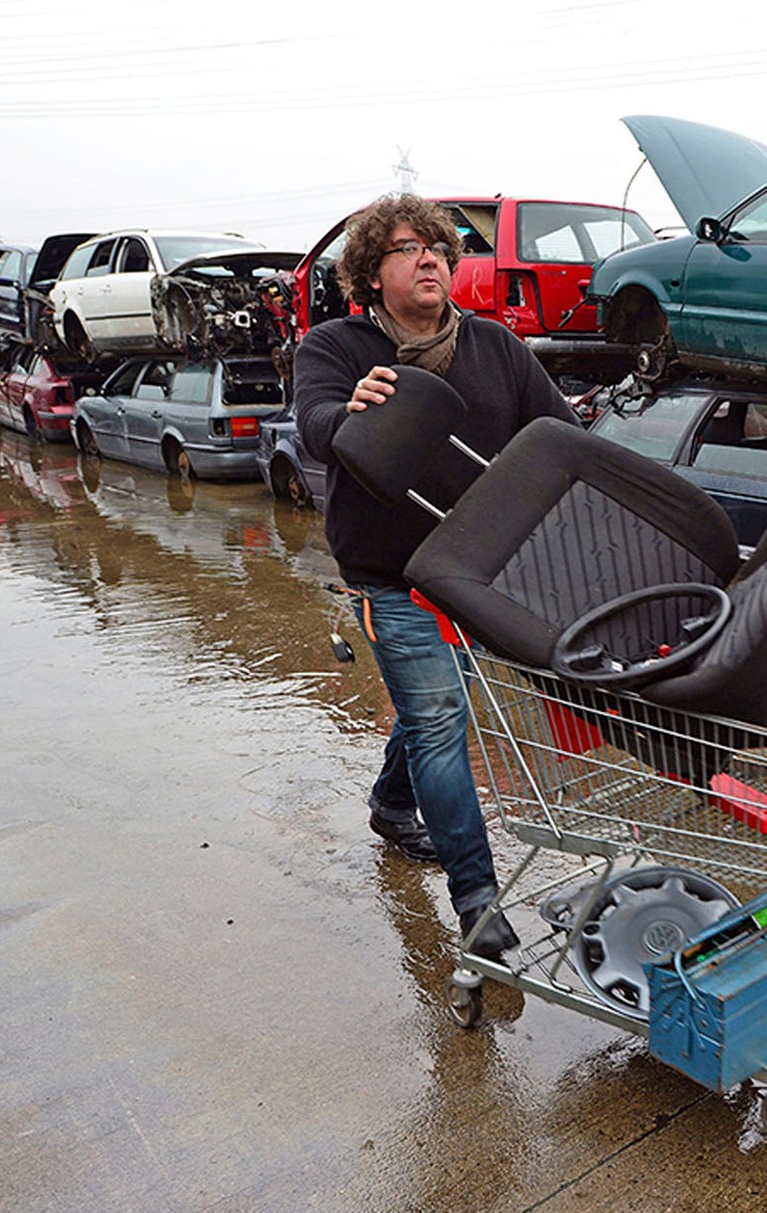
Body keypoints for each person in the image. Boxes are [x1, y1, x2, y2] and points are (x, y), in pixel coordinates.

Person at [294, 193, 572, 957]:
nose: (430, 260)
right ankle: (477, 899)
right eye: (407, 248)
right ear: (370, 273)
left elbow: (559, 432)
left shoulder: (496, 347)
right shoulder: (336, 348)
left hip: (478, 570)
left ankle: (392, 803)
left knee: (433, 709)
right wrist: (348, 413)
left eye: (439, 249)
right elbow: (314, 426)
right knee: (443, 716)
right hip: (393, 574)